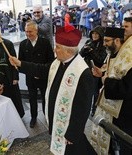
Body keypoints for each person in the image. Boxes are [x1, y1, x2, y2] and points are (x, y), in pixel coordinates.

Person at [9, 25, 96, 155]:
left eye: (58, 47)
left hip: (69, 128)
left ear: (68, 51)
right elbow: (42, 69)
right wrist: (20, 64)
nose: (55, 50)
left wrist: (72, 134)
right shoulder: (58, 62)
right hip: (57, 119)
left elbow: (82, 108)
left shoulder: (82, 73)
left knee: (75, 150)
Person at [90, 27, 132, 155]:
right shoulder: (112, 53)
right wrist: (101, 73)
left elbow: (126, 88)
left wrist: (105, 81)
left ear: (117, 41)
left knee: (120, 146)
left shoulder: (129, 60)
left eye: (107, 41)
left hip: (123, 114)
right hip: (108, 111)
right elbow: (110, 72)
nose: (104, 44)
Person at [18, 21, 54, 128]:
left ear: (36, 30)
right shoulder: (23, 44)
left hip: (43, 77)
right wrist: (32, 73)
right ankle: (33, 117)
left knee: (45, 97)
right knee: (32, 98)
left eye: (30, 31)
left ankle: (46, 115)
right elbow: (21, 63)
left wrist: (41, 72)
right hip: (30, 78)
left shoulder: (45, 43)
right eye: (26, 31)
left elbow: (51, 61)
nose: (28, 34)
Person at [80, 25, 107, 115]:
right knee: (86, 90)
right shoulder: (88, 41)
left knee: (95, 92)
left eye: (97, 34)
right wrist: (84, 49)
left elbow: (100, 59)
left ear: (100, 35)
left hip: (96, 72)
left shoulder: (103, 45)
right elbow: (80, 55)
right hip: (86, 70)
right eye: (93, 33)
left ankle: (94, 109)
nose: (94, 35)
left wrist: (91, 51)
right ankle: (85, 107)